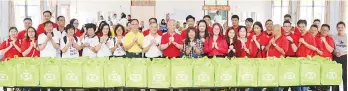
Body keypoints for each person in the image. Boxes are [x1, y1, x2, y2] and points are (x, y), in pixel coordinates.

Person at [332, 21, 347, 91]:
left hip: (345, 57)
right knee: (335, 75)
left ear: (344, 28)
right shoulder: (333, 37)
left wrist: (343, 53)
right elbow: (332, 48)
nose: (340, 29)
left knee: (345, 76)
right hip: (336, 57)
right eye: (338, 27)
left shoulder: (347, 37)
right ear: (336, 28)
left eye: (342, 27)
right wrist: (335, 53)